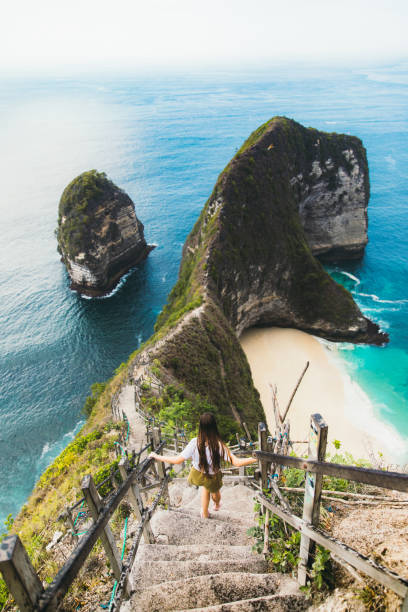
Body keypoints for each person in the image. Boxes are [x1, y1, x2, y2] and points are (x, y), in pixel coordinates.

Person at [149, 412, 257, 519]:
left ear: (200, 427)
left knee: (205, 487)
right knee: (215, 493)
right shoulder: (218, 445)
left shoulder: (194, 443)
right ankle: (216, 504)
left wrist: (157, 456)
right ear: (214, 427)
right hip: (213, 476)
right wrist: (255, 458)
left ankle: (205, 513)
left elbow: (177, 460)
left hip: (197, 474)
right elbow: (236, 462)